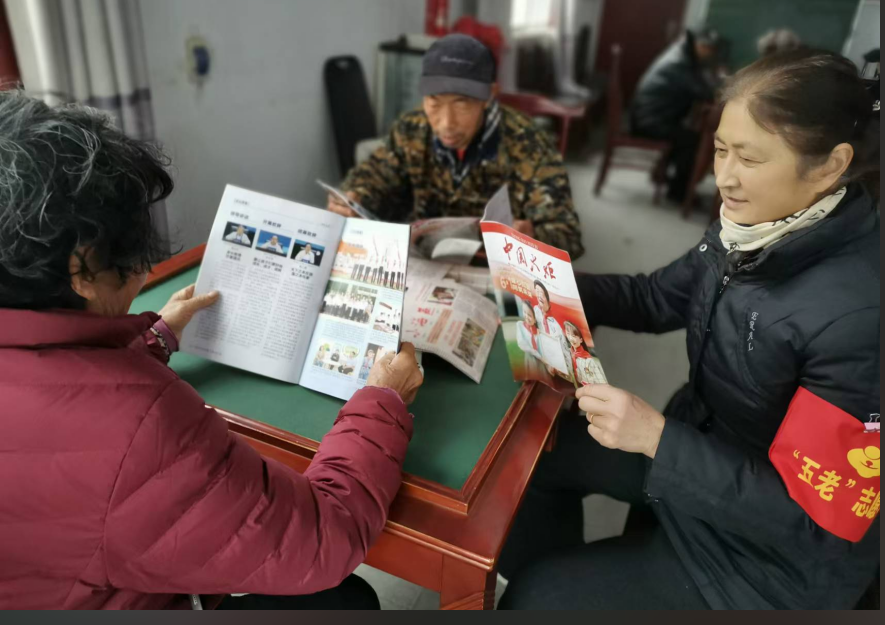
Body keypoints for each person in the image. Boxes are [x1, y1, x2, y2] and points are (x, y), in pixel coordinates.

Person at [0, 91, 426, 609]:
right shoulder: (141, 427)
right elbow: (323, 538)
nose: (144, 260)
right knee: (346, 599)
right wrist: (382, 399)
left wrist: (152, 337)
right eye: (134, 239)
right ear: (84, 270)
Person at [498, 50, 880, 610]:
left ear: (828, 166)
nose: (722, 177)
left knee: (536, 600)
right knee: (533, 455)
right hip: (698, 453)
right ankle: (577, 579)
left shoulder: (860, 316)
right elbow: (655, 297)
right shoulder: (748, 227)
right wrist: (545, 279)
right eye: (721, 149)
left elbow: (814, 522)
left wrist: (658, 439)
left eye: (748, 158)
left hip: (764, 565)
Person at [328, 34, 585, 259]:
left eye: (461, 104)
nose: (446, 123)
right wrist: (355, 196)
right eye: (434, 103)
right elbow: (375, 176)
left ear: (489, 95)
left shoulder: (530, 144)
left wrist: (534, 236)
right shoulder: (411, 128)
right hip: (425, 263)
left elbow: (568, 236)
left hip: (493, 270)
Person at [631, 28, 722, 203]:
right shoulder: (680, 63)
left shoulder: (680, 54)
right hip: (649, 123)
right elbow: (704, 92)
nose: (710, 54)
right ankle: (678, 192)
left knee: (688, 135)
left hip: (650, 118)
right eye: (708, 49)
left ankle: (664, 174)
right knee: (693, 141)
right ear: (699, 45)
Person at [562, 320, 595, 388]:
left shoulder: (586, 358)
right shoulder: (568, 352)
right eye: (568, 334)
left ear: (581, 340)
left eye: (574, 335)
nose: (571, 338)